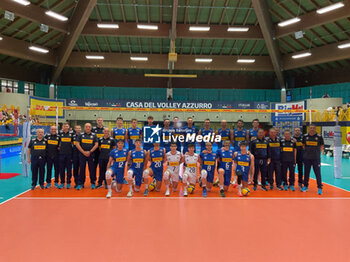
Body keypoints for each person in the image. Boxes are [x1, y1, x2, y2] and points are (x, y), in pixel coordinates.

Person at [302, 124, 324, 195]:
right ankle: (305, 186)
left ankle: (320, 188)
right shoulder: (305, 136)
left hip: (316, 158)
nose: (312, 129)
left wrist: (318, 153)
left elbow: (321, 146)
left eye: (313, 128)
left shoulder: (319, 137)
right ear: (308, 129)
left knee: (318, 174)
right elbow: (303, 145)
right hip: (307, 158)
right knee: (306, 173)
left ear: (315, 129)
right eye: (310, 128)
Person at [75, 123, 99, 190]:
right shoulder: (80, 135)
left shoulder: (94, 135)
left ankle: (93, 182)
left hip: (91, 155)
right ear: (84, 128)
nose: (87, 128)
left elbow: (96, 144)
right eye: (86, 127)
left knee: (92, 169)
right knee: (82, 168)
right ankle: (81, 183)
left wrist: (90, 152)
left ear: (91, 128)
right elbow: (77, 144)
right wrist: (83, 152)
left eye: (89, 127)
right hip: (82, 154)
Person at [58, 122, 74, 189]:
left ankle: (68, 183)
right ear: (62, 127)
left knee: (69, 169)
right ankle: (62, 182)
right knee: (61, 169)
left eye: (67, 126)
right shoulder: (59, 134)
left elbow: (73, 143)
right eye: (64, 126)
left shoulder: (71, 134)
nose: (66, 127)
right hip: (61, 154)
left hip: (69, 154)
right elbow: (57, 143)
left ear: (69, 127)